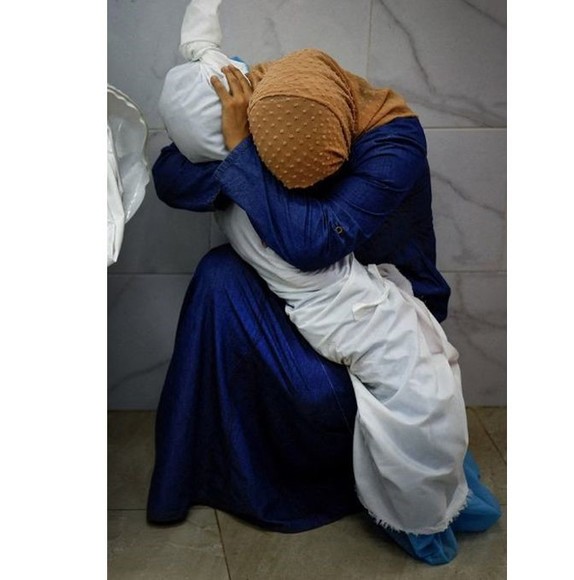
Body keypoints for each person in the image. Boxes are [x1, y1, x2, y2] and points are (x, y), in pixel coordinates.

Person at [148, 0, 500, 566]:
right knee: (220, 275)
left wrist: (243, 156)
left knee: (332, 390)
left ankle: (389, 490)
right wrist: (235, 145)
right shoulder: (274, 104)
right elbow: (172, 176)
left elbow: (313, 242)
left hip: (373, 298)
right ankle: (210, 472)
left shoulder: (392, 143)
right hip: (305, 288)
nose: (296, 176)